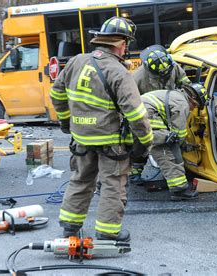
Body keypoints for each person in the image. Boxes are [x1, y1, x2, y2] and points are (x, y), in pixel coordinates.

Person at [50, 17, 153, 242]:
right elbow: (136, 114)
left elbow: (56, 93)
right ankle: (107, 232)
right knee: (113, 185)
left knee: (80, 180)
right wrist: (145, 141)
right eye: (126, 43)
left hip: (81, 139)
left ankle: (69, 226)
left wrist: (67, 123)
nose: (126, 47)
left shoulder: (76, 61)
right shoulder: (119, 72)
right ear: (121, 43)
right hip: (111, 144)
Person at [130, 44, 191, 182]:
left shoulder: (173, 67)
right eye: (160, 75)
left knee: (170, 138)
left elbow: (186, 85)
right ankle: (135, 171)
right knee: (142, 143)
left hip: (169, 109)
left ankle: (174, 169)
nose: (165, 76)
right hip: (148, 113)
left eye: (167, 72)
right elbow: (131, 102)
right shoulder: (137, 78)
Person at [141, 83, 208, 200]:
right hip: (147, 115)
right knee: (167, 149)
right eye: (195, 106)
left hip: (137, 112)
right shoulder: (183, 104)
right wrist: (180, 147)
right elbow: (179, 133)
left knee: (138, 145)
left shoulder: (177, 95)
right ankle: (179, 189)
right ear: (193, 100)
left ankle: (134, 174)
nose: (193, 109)